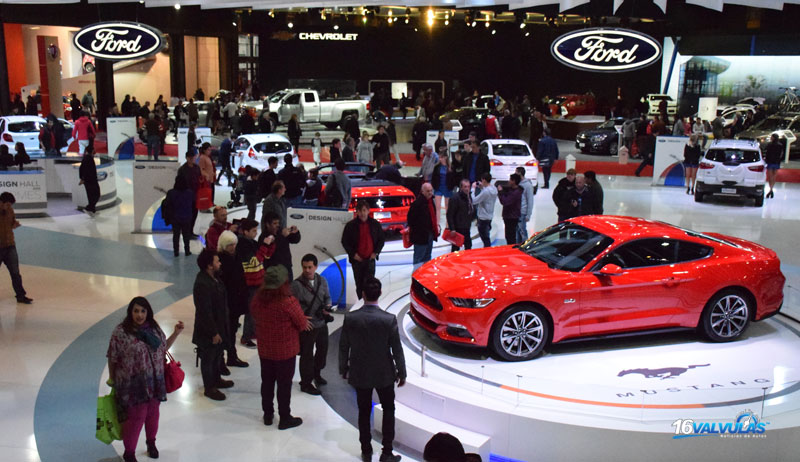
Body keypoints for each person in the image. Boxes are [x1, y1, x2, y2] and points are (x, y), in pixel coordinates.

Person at [107, 297, 184, 462]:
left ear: (148, 312)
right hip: (133, 383)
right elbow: (112, 356)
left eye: (143, 311)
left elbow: (163, 348)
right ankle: (129, 453)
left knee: (153, 414)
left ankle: (151, 443)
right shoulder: (121, 332)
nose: (139, 315)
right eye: (136, 311)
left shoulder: (154, 329)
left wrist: (176, 333)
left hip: (154, 380)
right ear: (130, 312)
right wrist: (112, 378)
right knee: (136, 417)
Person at [339, 277, 406, 462]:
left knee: (363, 411)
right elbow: (397, 349)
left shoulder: (351, 318)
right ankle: (387, 452)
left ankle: (366, 450)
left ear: (362, 294)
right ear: (380, 293)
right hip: (384, 373)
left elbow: (344, 346)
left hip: (360, 372)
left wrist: (343, 368)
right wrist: (402, 372)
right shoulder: (389, 319)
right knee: (388, 409)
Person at [251, 264, 310, 430]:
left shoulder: (257, 299)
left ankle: (268, 415)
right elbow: (302, 324)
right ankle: (284, 417)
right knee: (284, 385)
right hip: (285, 352)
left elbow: (254, 316)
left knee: (267, 383)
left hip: (265, 349)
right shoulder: (288, 302)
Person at [192, 249, 233, 401]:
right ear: (209, 265)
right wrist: (213, 332)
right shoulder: (202, 284)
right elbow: (204, 312)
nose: (220, 263)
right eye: (217, 261)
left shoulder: (214, 279)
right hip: (208, 330)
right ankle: (209, 387)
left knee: (216, 355)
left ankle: (217, 380)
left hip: (218, 325)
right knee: (208, 358)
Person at [291, 254, 333, 395]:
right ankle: (306, 382)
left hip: (321, 323)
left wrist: (328, 305)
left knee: (322, 350)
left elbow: (327, 297)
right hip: (307, 325)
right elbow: (292, 305)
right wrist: (301, 318)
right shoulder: (296, 285)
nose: (307, 270)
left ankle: (317, 373)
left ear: (315, 267)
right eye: (304, 267)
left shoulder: (322, 281)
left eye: (310, 267)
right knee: (307, 355)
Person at [236, 219, 275, 348]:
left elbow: (265, 256)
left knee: (256, 309)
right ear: (245, 231)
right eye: (253, 231)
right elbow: (255, 261)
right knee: (251, 311)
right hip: (250, 283)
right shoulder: (242, 244)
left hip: (258, 280)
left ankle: (252, 332)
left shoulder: (252, 242)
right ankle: (246, 337)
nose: (255, 233)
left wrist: (270, 245)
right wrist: (264, 246)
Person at [216, 230, 249, 369]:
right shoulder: (220, 260)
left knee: (232, 330)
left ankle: (232, 356)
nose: (233, 247)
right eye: (230, 245)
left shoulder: (236, 256)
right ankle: (221, 361)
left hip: (236, 301)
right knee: (224, 331)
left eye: (234, 244)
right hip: (225, 303)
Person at [342, 199, 385, 300]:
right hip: (357, 260)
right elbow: (345, 242)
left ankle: (370, 303)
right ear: (356, 212)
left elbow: (381, 239)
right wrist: (353, 254)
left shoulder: (375, 224)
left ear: (368, 211)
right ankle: (361, 303)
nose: (362, 213)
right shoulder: (350, 226)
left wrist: (376, 253)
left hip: (370, 259)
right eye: (360, 210)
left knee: (370, 284)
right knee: (359, 284)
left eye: (364, 210)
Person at [0, 193, 32, 303]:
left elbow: (11, 222)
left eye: (11, 205)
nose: (9, 207)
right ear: (1, 202)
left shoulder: (10, 211)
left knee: (15, 273)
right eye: (8, 205)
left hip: (10, 246)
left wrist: (15, 224)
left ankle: (20, 295)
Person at [262, 211, 301, 280]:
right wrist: (282, 236)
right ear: (267, 224)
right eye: (274, 223)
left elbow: (294, 240)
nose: (277, 225)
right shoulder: (264, 237)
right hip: (274, 272)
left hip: (287, 269)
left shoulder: (281, 231)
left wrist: (295, 233)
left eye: (278, 223)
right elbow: (272, 248)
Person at [407, 183, 438, 270]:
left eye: (431, 191)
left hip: (430, 235)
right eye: (428, 191)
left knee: (427, 257)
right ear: (423, 191)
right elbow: (410, 220)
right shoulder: (417, 204)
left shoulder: (431, 202)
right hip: (420, 237)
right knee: (419, 259)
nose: (430, 193)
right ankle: (417, 278)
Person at [166, 176, 194, 256]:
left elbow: (168, 205)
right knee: (186, 235)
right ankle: (187, 250)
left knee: (176, 235)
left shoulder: (171, 193)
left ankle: (176, 251)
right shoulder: (190, 192)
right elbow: (193, 203)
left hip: (175, 218)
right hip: (187, 217)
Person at [446, 179, 474, 251]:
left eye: (468, 186)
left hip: (466, 226)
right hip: (458, 228)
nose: (467, 189)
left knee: (468, 245)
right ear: (461, 187)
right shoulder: (455, 198)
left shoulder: (469, 197)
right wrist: (452, 228)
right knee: (455, 248)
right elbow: (450, 214)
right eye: (465, 187)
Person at [471, 173, 497, 248]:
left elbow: (474, 201)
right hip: (489, 216)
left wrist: (473, 189)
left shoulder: (486, 192)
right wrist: (483, 188)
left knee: (485, 239)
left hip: (483, 218)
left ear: (484, 180)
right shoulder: (494, 189)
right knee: (486, 237)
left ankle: (487, 252)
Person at [497, 174, 523, 245]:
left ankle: (511, 250)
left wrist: (500, 192)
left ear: (514, 181)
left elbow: (505, 201)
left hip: (511, 217)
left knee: (510, 236)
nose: (509, 181)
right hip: (510, 216)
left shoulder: (515, 193)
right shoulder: (514, 190)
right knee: (509, 236)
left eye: (510, 180)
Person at [430, 151, 454, 216]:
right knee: (437, 208)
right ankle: (437, 224)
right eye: (439, 157)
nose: (440, 159)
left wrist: (452, 187)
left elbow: (453, 179)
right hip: (438, 188)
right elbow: (433, 177)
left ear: (445, 157)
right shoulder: (437, 167)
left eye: (441, 157)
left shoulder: (451, 167)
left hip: (448, 189)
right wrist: (433, 186)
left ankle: (447, 224)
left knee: (448, 209)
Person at [78, 147, 100, 217]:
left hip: (89, 180)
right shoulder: (88, 158)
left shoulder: (87, 158)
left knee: (92, 195)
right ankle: (89, 208)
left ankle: (92, 210)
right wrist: (83, 178)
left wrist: (82, 178)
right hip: (90, 180)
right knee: (95, 195)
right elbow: (84, 170)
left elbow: (81, 169)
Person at [515, 167, 534, 243]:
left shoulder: (528, 185)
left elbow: (530, 200)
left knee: (522, 231)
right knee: (517, 231)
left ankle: (525, 246)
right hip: (516, 211)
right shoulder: (517, 183)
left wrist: (528, 214)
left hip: (522, 212)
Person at [765, 133, 783, 199]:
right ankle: (771, 190)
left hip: (770, 162)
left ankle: (771, 190)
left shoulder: (770, 145)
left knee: (770, 177)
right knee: (774, 176)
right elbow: (781, 154)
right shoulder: (780, 145)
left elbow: (767, 153)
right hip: (776, 162)